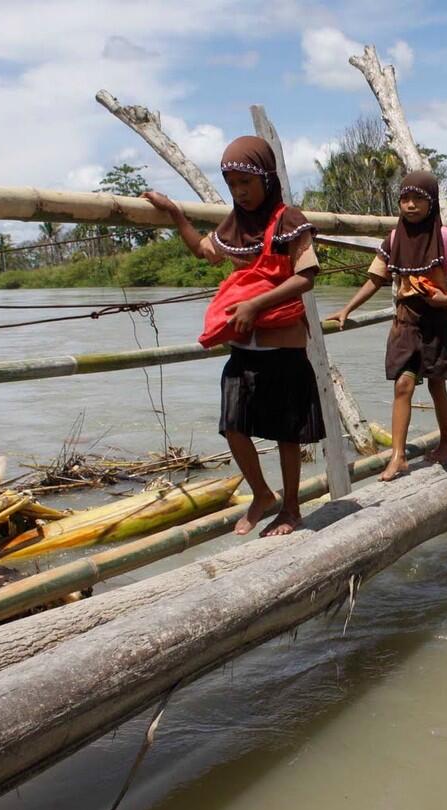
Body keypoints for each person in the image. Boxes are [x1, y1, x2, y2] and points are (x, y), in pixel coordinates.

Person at [141, 136, 324, 538]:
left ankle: (291, 508)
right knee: (232, 423)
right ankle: (262, 493)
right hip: (244, 349)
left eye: (246, 182)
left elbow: (306, 275)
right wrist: (175, 214)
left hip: (284, 347)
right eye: (232, 184)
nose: (240, 192)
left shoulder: (288, 219)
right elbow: (204, 252)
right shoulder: (235, 224)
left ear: (266, 178)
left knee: (286, 433)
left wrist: (257, 305)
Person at [325, 172, 447, 482]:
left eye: (419, 199)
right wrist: (347, 308)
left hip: (437, 319)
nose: (410, 205)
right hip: (406, 319)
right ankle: (398, 456)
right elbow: (375, 279)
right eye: (405, 199)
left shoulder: (446, 237)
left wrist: (445, 296)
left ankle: (446, 443)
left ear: (431, 203)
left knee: (437, 384)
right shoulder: (393, 239)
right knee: (402, 385)